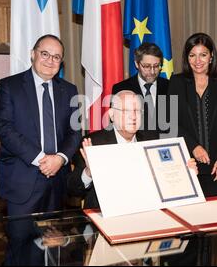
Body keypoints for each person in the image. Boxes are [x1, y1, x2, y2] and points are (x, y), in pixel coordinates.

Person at [0, 34, 81, 264]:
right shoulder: (9, 86)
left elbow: (75, 132)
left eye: (57, 57)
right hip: (22, 182)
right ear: (33, 54)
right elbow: (4, 129)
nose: (50, 61)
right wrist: (43, 159)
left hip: (57, 182)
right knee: (20, 247)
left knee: (52, 247)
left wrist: (60, 159)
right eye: (45, 54)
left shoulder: (69, 91)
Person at [67, 90, 197, 209]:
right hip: (105, 216)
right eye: (126, 111)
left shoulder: (151, 139)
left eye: (137, 111)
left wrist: (185, 173)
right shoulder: (93, 143)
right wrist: (89, 172)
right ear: (112, 115)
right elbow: (73, 188)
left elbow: (164, 179)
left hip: (145, 212)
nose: (133, 116)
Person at [168, 33, 217, 197]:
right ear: (187, 58)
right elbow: (166, 121)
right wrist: (193, 146)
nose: (197, 61)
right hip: (187, 165)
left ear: (211, 56)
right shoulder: (175, 81)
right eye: (192, 55)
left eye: (203, 55)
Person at [112, 42, 169, 132]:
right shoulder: (121, 88)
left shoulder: (170, 86)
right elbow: (116, 125)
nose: (152, 71)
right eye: (146, 66)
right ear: (136, 64)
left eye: (156, 66)